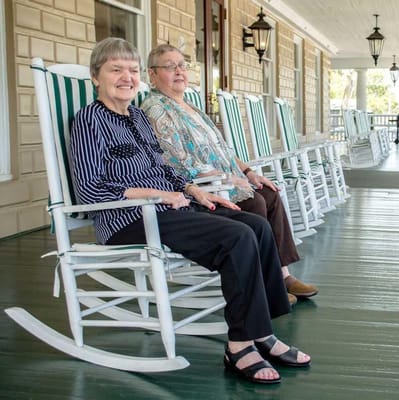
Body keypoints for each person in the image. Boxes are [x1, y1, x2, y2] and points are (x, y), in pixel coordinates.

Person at [69, 37, 310, 384]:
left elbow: (165, 168)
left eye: (132, 70)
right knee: (238, 237)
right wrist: (155, 194)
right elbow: (90, 191)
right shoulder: (90, 121)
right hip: (130, 218)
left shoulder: (137, 116)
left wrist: (190, 187)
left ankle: (263, 333)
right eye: (115, 69)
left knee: (255, 224)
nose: (126, 77)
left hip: (171, 207)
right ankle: (241, 345)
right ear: (96, 77)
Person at [140, 44, 318, 305]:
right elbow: (175, 159)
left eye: (182, 65)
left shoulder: (192, 107)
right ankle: (260, 285)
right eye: (169, 66)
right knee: (254, 202)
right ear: (152, 75)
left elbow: (224, 149)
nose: (179, 71)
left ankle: (281, 274)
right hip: (203, 187)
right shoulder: (155, 108)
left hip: (229, 179)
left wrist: (247, 171)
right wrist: (224, 177)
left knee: (269, 193)